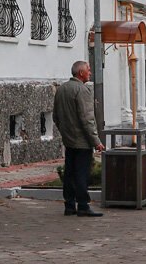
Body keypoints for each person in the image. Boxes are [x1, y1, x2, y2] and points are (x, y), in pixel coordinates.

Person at [53, 60, 106, 217]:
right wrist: (96, 142)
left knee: (69, 174)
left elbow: (56, 117)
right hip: (82, 141)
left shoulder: (62, 89)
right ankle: (83, 205)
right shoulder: (82, 90)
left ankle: (69, 206)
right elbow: (87, 119)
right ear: (81, 73)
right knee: (81, 174)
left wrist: (65, 132)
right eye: (88, 70)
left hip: (68, 140)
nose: (90, 73)